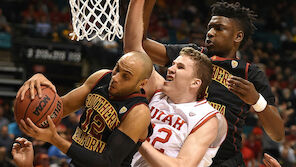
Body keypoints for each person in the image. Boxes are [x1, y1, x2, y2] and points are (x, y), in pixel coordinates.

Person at [141, 1, 284, 166]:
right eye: (210, 27)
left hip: (224, 160)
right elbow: (141, 45)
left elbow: (278, 133)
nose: (209, 32)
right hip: (179, 151)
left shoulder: (250, 73)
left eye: (218, 28)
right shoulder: (192, 55)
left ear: (237, 36)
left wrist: (256, 100)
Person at [15, 1, 153, 167]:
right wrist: (38, 87)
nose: (115, 77)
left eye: (126, 76)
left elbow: (107, 163)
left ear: (142, 83)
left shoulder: (139, 112)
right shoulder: (102, 78)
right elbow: (58, 109)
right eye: (117, 69)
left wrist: (54, 139)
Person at [124, 1, 227, 166]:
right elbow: (133, 49)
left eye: (180, 67)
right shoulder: (159, 90)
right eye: (173, 64)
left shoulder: (207, 119)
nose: (170, 69)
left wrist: (137, 138)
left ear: (195, 83)